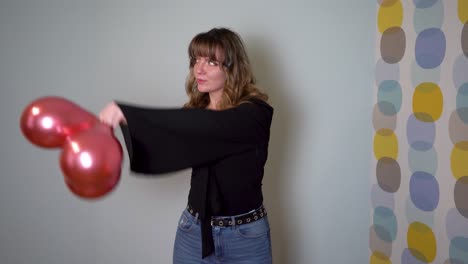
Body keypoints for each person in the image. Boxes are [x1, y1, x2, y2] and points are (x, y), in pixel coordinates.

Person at [99, 27, 274, 264]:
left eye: (211, 62)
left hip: (244, 238)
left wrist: (129, 113)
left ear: (232, 68)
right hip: (193, 232)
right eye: (195, 60)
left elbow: (213, 126)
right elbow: (164, 145)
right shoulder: (193, 112)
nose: (199, 69)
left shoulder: (254, 114)